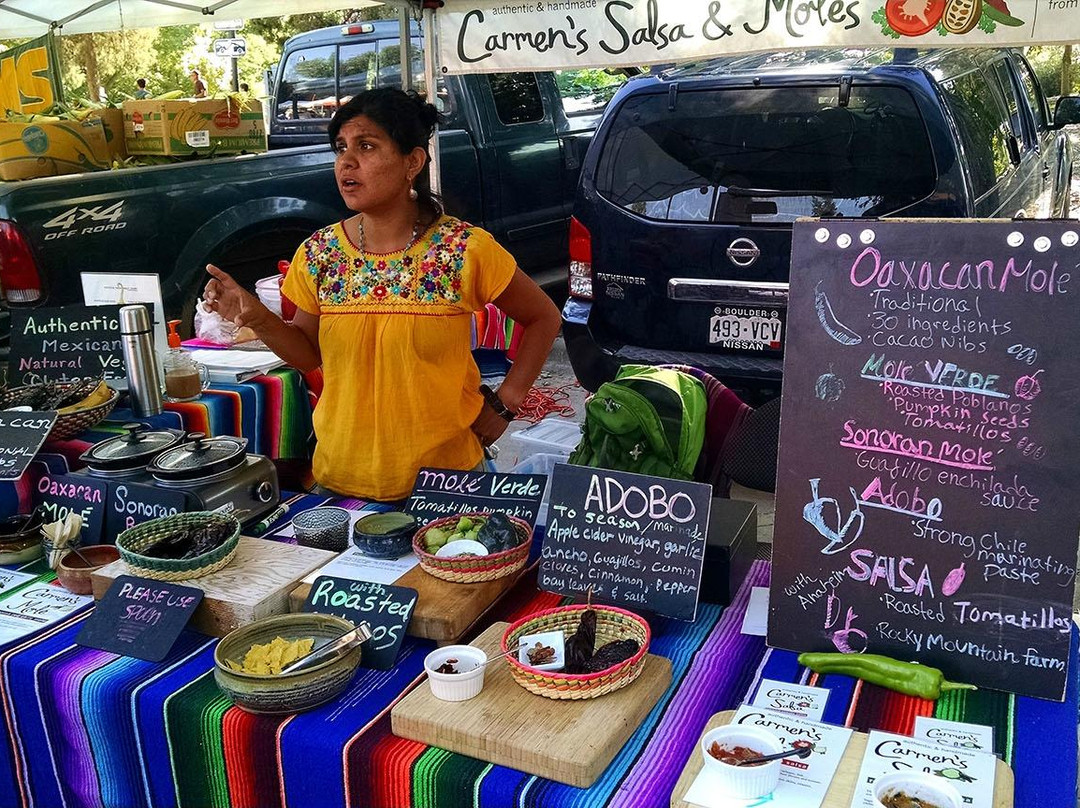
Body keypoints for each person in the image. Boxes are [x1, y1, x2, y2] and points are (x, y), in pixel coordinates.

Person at [202, 89, 561, 502]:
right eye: (341, 149)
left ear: (412, 162)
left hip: (445, 484)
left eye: (366, 146)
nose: (346, 163)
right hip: (338, 479)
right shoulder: (320, 253)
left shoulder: (463, 249)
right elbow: (308, 353)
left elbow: (543, 317)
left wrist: (505, 403)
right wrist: (257, 318)